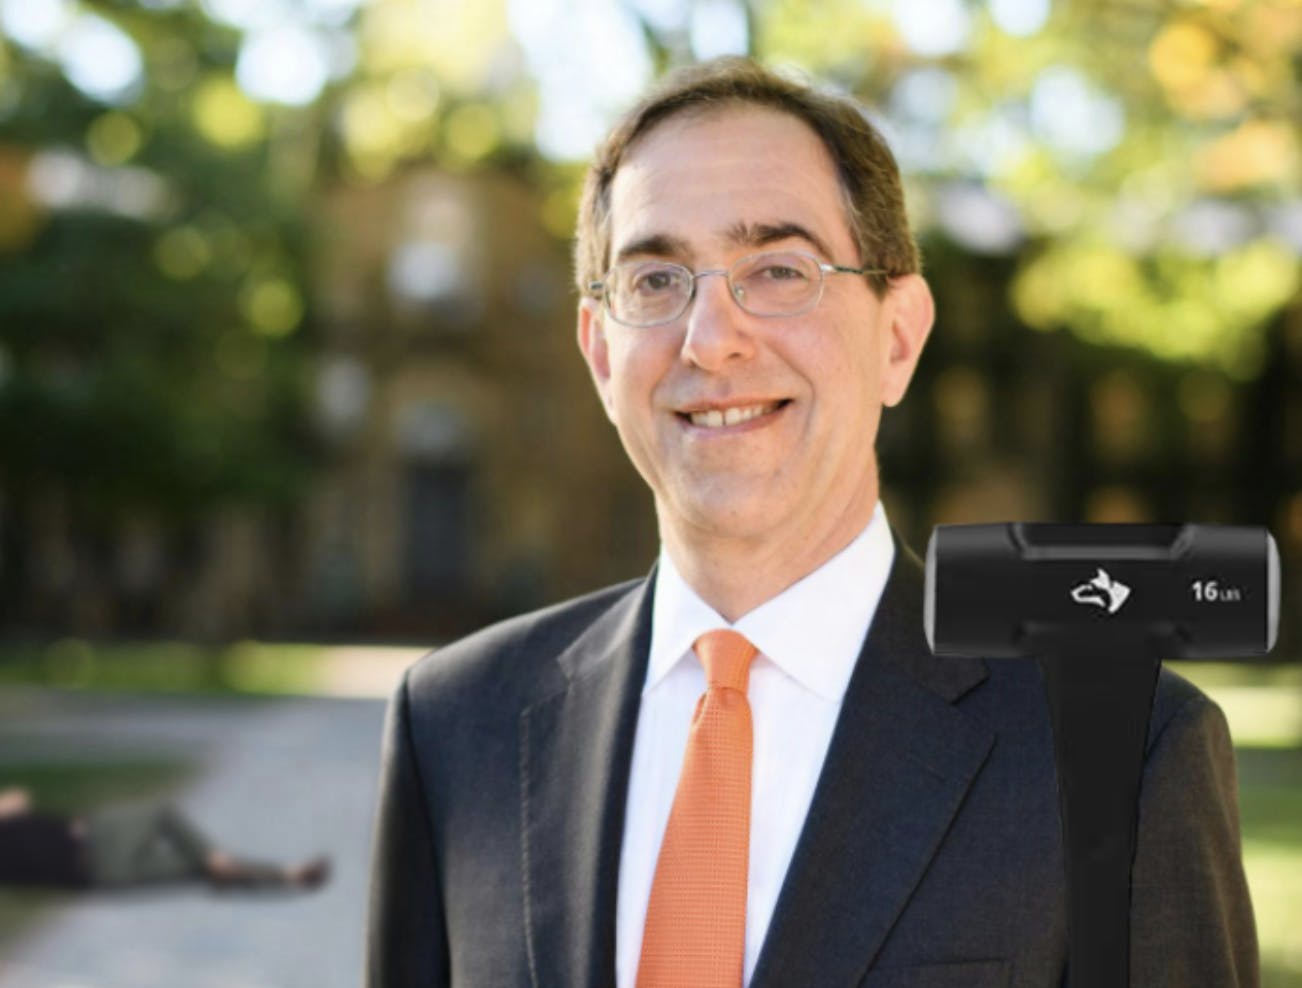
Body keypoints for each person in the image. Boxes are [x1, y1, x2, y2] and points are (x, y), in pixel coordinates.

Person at [366, 57, 1256, 988]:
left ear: (897, 337)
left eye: (779, 270)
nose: (711, 339)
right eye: (657, 280)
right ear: (599, 354)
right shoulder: (454, 727)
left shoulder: (1124, 755)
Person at [0, 786, 330, 892]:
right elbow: (16, 801)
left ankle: (288, 874)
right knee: (191, 857)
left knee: (197, 862)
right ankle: (288, 874)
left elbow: (19, 799)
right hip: (97, 860)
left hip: (95, 842)